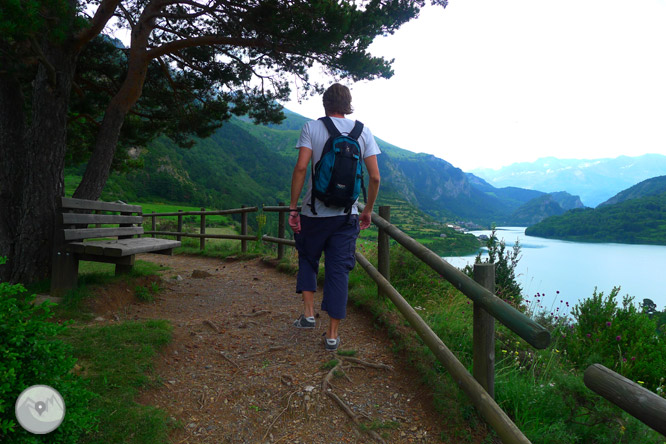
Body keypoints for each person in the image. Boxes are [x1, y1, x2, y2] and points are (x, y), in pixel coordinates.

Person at [288, 83, 381, 352]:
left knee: (307, 257)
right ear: (348, 104)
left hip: (313, 213)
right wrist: (367, 210)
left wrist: (294, 207)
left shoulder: (311, 128)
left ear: (325, 103)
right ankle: (332, 335)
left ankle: (307, 315)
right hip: (345, 217)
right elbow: (374, 177)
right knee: (338, 271)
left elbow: (301, 167)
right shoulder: (363, 132)